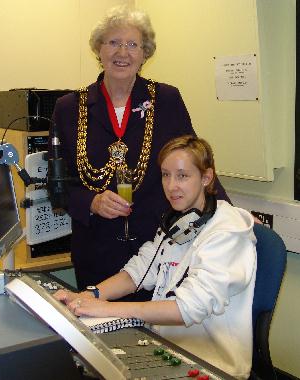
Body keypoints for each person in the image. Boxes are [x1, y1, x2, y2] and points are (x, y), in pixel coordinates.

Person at [50, 5, 230, 298]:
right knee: (99, 333)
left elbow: (196, 163)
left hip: (159, 249)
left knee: (153, 335)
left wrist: (228, 214)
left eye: (133, 44)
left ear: (145, 53)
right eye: (113, 42)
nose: (123, 52)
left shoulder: (167, 100)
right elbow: (58, 186)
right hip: (96, 251)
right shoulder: (69, 108)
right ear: (99, 49)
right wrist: (91, 202)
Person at [54, 135, 257, 379]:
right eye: (165, 175)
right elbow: (137, 272)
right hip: (168, 348)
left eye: (182, 175)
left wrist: (106, 308)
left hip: (212, 365)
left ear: (206, 177)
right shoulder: (177, 222)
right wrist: (88, 296)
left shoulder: (227, 232)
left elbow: (187, 309)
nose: (172, 186)